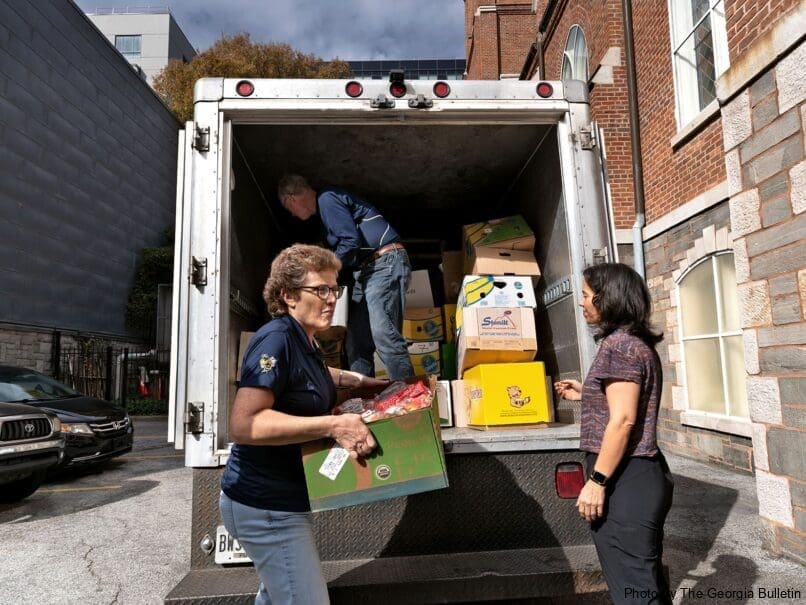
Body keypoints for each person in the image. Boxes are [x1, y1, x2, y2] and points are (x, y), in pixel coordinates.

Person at [219, 243, 388, 605]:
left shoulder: (304, 339)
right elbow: (245, 425)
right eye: (321, 290)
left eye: (335, 289)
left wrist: (358, 382)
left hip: (285, 499)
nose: (331, 299)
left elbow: (309, 376)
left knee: (279, 595)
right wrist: (333, 426)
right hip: (265, 505)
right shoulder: (277, 338)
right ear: (289, 295)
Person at [554, 263, 673, 605]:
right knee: (643, 582)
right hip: (640, 474)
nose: (582, 302)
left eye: (587, 295)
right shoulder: (633, 343)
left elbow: (622, 420)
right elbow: (623, 400)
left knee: (633, 589)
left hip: (626, 477)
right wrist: (587, 391)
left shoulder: (619, 346)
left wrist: (597, 482)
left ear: (610, 299)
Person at [277, 174, 414, 380]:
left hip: (384, 263)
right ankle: (362, 399)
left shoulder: (326, 198)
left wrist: (319, 274)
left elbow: (350, 242)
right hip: (366, 271)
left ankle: (410, 398)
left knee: (384, 335)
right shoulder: (324, 217)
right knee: (357, 342)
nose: (294, 215)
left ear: (291, 199)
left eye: (289, 209)